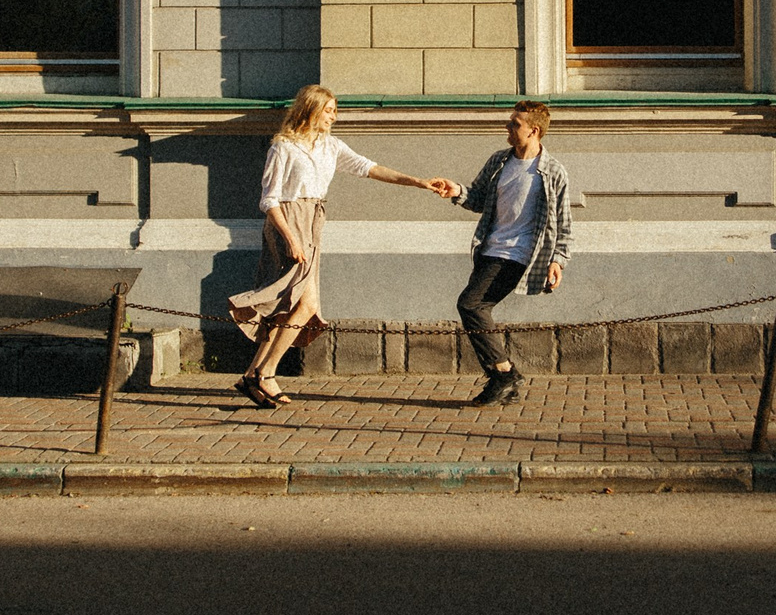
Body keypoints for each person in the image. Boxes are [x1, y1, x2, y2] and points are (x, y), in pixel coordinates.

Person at [227, 84, 457, 408]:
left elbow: (370, 168)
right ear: (311, 110)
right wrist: (291, 239)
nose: (334, 117)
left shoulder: (331, 146)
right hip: (288, 223)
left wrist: (418, 182)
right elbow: (269, 200)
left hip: (313, 221)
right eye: (329, 110)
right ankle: (266, 373)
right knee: (305, 305)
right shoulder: (284, 147)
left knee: (292, 304)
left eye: (335, 111)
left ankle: (253, 374)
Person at [449, 101, 573, 407]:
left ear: (534, 130)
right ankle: (506, 384)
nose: (507, 127)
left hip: (519, 254)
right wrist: (456, 191)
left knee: (471, 304)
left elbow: (564, 221)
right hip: (489, 249)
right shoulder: (499, 161)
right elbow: (478, 199)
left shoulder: (553, 172)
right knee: (476, 309)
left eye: (515, 124)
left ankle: (504, 374)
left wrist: (558, 260)